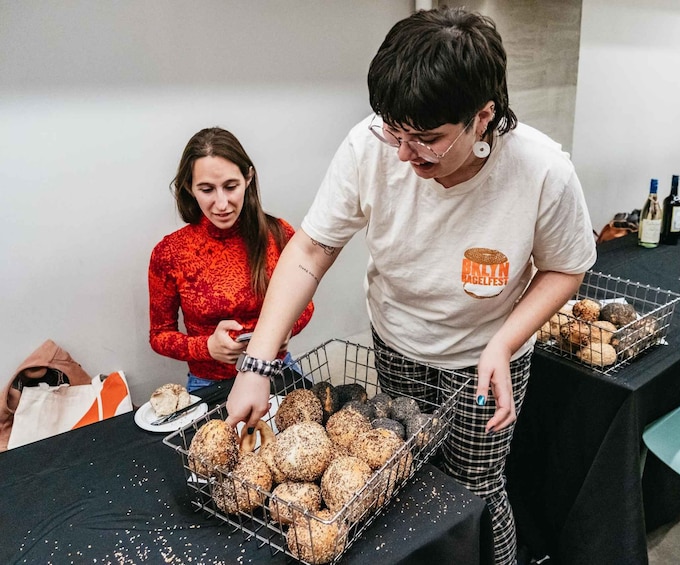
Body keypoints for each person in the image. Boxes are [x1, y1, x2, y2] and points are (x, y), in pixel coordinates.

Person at [225, 8, 596, 564]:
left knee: (473, 493)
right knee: (399, 487)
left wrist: (503, 340)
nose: (402, 154)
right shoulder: (368, 146)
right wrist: (257, 365)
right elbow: (309, 250)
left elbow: (566, 268)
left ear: (483, 117)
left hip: (484, 360)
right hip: (396, 344)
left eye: (426, 139)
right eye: (393, 131)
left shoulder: (542, 171)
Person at [148, 127, 314, 393]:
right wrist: (207, 347)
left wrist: (285, 329)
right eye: (206, 189)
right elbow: (159, 336)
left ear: (248, 178)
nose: (222, 203)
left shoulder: (279, 235)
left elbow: (305, 305)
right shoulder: (169, 253)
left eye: (230, 186)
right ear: (189, 188)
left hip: (277, 369)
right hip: (209, 382)